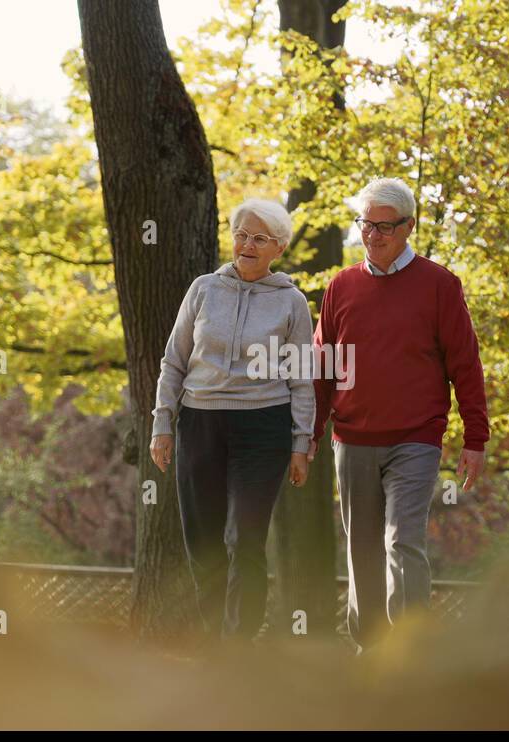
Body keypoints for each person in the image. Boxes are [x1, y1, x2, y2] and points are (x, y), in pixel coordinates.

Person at [309, 177, 490, 651]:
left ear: (409, 227)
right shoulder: (340, 287)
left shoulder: (439, 285)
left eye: (384, 227)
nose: (372, 235)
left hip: (415, 438)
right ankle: (369, 651)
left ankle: (408, 652)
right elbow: (322, 369)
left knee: (402, 542)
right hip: (352, 440)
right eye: (365, 225)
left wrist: (476, 438)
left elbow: (465, 364)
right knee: (361, 549)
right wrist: (307, 436)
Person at [150, 198, 315, 641]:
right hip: (200, 423)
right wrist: (162, 424)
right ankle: (211, 646)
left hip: (264, 427)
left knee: (245, 539)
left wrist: (301, 444)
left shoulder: (292, 302)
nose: (246, 244)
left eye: (259, 238)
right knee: (202, 541)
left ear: (278, 247)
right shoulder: (204, 289)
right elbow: (174, 361)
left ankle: (239, 646)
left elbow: (302, 379)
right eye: (241, 233)